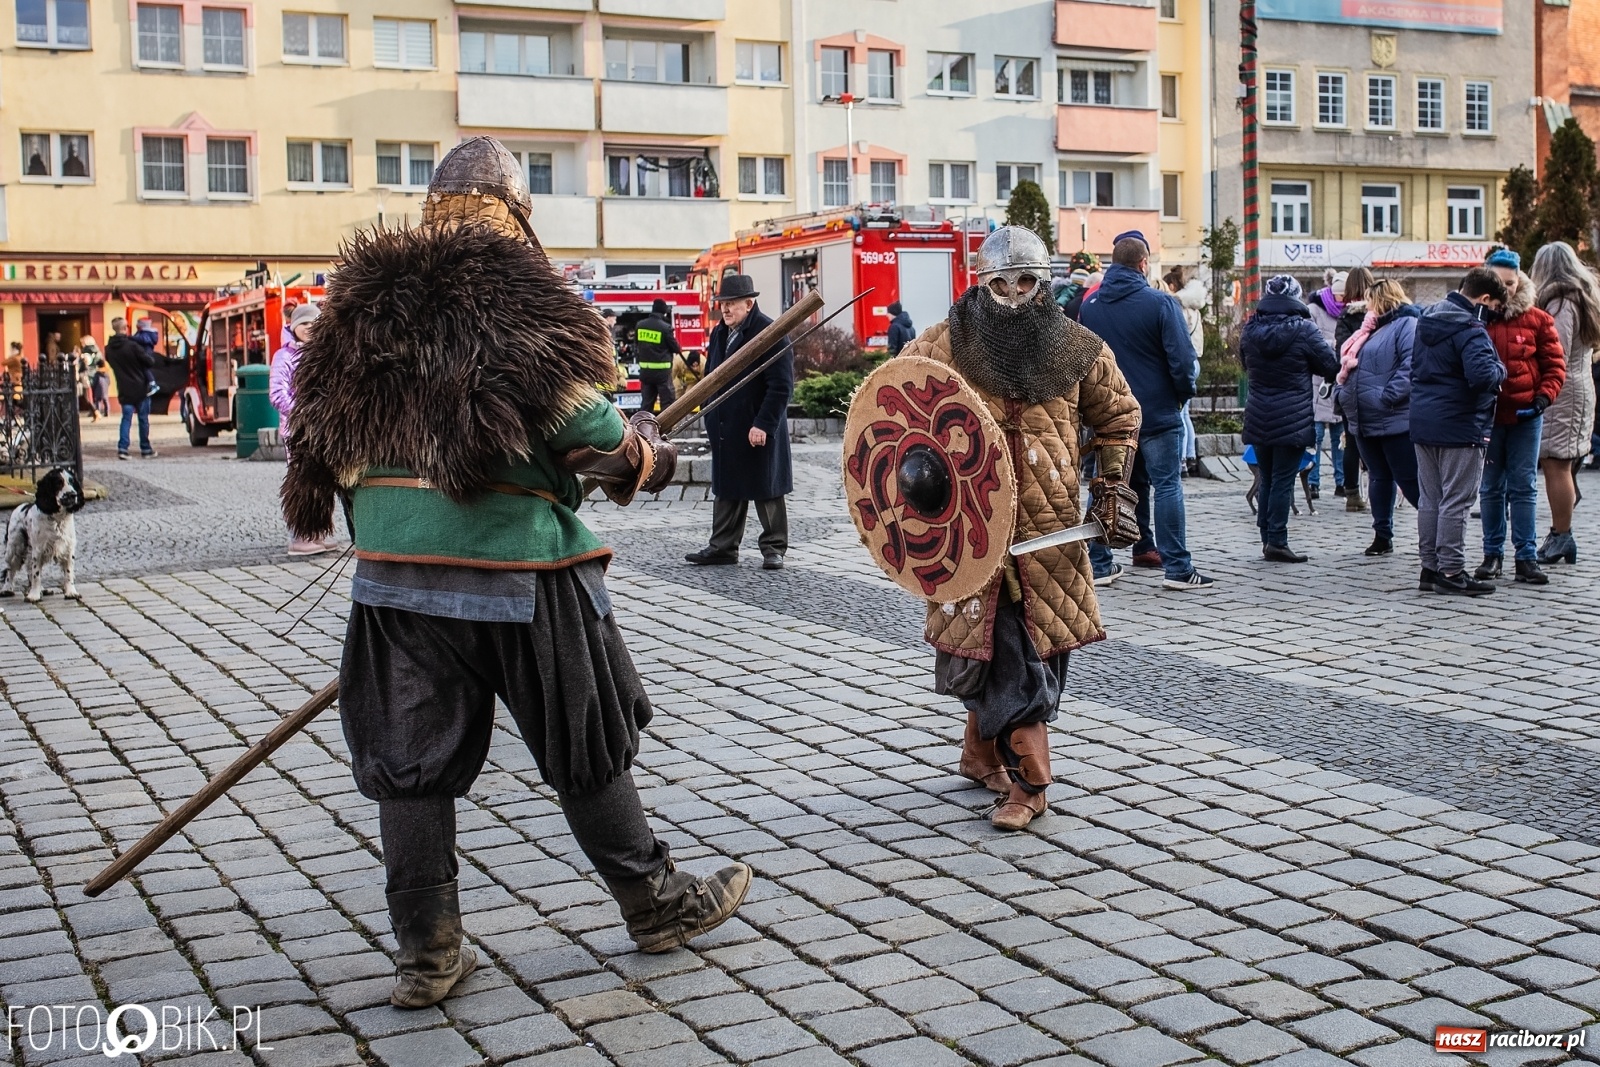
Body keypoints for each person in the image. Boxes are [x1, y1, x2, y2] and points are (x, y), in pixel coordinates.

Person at [280, 138, 749, 1010]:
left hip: (394, 582)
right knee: (585, 738)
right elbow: (593, 436)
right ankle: (654, 905)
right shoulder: (512, 297)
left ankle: (427, 956)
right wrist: (644, 455)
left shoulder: (354, 310)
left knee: (409, 767)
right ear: (516, 211)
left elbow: (318, 448)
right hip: (520, 572)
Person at [894, 226, 1141, 830]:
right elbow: (896, 401)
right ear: (981, 283)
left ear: (1044, 283)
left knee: (1029, 649)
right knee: (998, 651)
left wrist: (1110, 488)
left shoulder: (1077, 348)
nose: (1012, 292)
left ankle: (991, 760)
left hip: (1046, 529)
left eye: (1026, 280)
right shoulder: (946, 343)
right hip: (970, 529)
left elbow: (1120, 417)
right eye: (1000, 282)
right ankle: (1027, 779)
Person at [1080, 231, 1212, 589]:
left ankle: (1101, 563)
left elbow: (1082, 364)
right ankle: (1178, 569)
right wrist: (1182, 395)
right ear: (1143, 264)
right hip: (1156, 412)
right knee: (1167, 486)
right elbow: (1182, 362)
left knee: (1106, 486)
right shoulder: (1161, 303)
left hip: (1107, 416)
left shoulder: (1089, 308)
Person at [685, 274, 794, 570]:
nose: (726, 310)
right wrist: (709, 411)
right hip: (725, 426)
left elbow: (781, 386)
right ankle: (722, 547)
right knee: (727, 488)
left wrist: (763, 424)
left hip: (757, 427)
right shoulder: (720, 333)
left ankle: (774, 548)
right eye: (723, 304)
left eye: (731, 304)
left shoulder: (770, 332)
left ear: (749, 303)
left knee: (766, 487)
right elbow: (711, 377)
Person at [1410, 267, 1508, 596]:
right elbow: (1482, 376)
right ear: (1483, 299)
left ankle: (1430, 568)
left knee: (1431, 499)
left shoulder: (1427, 319)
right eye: (1494, 307)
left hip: (1424, 421)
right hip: (1460, 424)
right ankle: (1451, 571)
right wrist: (1501, 368)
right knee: (1457, 500)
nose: (1494, 315)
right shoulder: (1470, 328)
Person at [1477, 248, 1565, 585]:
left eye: (1510, 283)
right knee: (1490, 488)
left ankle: (1525, 556)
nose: (1505, 289)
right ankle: (1491, 554)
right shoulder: (1476, 317)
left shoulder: (1537, 318)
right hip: (1489, 416)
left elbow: (1554, 366)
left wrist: (1543, 399)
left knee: (1523, 487)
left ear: (1520, 281)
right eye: (1499, 283)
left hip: (1527, 415)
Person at [1240, 275, 1339, 562]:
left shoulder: (1251, 329)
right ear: (1295, 297)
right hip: (1293, 416)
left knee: (1269, 478)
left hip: (1258, 414)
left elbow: (1245, 364)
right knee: (1283, 479)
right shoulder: (1305, 330)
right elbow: (1329, 366)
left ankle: (1266, 538)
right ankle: (1278, 541)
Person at [1336, 279, 1421, 557]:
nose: (1366, 306)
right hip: (1364, 419)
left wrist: (1387, 397)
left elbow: (1410, 365)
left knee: (1408, 479)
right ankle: (1382, 534)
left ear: (1382, 299)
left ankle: (1434, 531)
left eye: (1370, 300)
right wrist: (1342, 394)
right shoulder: (1370, 330)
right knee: (1378, 478)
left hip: (1393, 418)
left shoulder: (1406, 325)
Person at [1530, 241, 1600, 566]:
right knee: (1564, 463)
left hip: (1562, 391)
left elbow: (1554, 349)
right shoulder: (1584, 297)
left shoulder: (1559, 301)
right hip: (1579, 385)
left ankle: (1562, 535)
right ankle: (1561, 527)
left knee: (1555, 464)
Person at [269, 302, 335, 557]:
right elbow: (277, 395)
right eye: (304, 323)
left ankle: (316, 531)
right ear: (294, 326)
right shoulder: (283, 356)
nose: (309, 327)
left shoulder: (322, 353)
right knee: (301, 482)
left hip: (321, 429)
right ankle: (300, 536)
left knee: (322, 480)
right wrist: (306, 412)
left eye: (314, 322)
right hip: (298, 431)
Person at [1333, 268, 1375, 509]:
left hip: (1351, 385)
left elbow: (1340, 350)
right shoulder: (1380, 315)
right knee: (1376, 439)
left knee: (1351, 440)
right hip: (1376, 385)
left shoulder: (1346, 317)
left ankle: (1352, 495)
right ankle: (1377, 488)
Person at [1166, 267, 1206, 477]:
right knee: (1185, 413)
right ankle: (1190, 456)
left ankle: (1181, 460)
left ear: (1172, 286)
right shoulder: (1195, 308)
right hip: (1195, 360)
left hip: (1183, 361)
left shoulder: (1179, 307)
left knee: (1179, 412)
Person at [105, 317, 157, 460]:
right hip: (140, 387)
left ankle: (123, 448)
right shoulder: (133, 346)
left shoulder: (109, 349)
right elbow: (149, 361)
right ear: (125, 328)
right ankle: (146, 449)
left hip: (123, 387)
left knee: (126, 419)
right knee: (143, 419)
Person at [633, 298, 682, 413]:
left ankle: (644, 429)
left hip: (646, 373)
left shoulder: (640, 325)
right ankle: (668, 430)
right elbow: (676, 348)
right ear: (663, 311)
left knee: (646, 405)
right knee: (667, 405)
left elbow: (636, 345)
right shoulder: (665, 328)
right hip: (662, 374)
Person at [132, 318, 162, 397]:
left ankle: (152, 384)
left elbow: (144, 340)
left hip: (146, 354)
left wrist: (130, 338)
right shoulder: (144, 332)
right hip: (144, 354)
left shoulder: (147, 333)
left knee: (145, 368)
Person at [82, 336, 107, 421]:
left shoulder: (86, 352)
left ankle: (96, 412)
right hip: (96, 375)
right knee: (94, 396)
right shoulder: (97, 352)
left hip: (87, 375)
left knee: (88, 397)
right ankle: (95, 413)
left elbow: (85, 365)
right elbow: (102, 363)